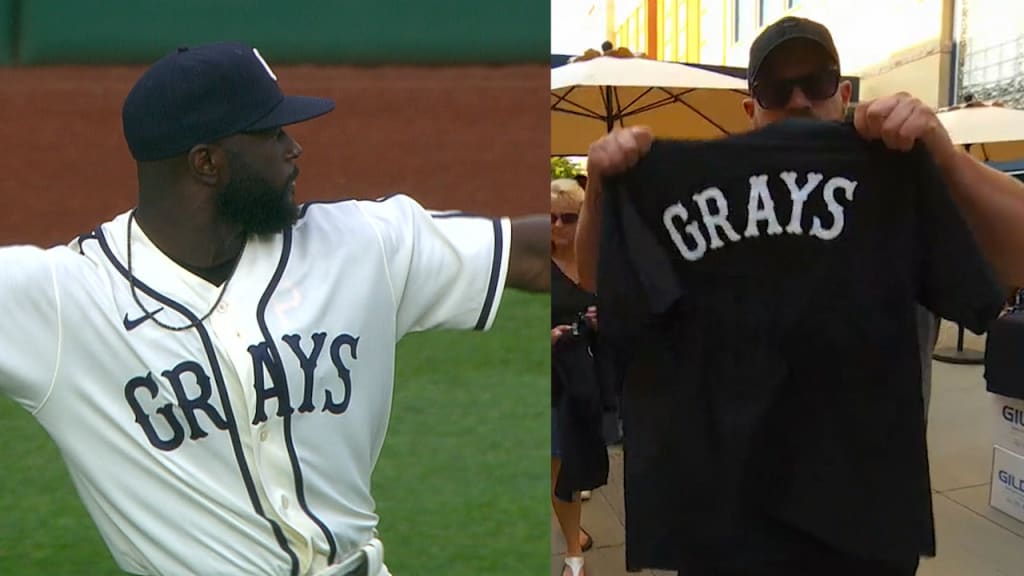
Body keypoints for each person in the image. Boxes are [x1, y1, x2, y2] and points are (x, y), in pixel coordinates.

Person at [0, 42, 548, 576]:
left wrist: (611, 192)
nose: (294, 149)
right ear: (207, 163)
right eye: (271, 133)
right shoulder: (64, 300)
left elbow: (533, 254)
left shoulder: (359, 244)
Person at [576, 15, 1014, 576]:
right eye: (777, 89)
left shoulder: (897, 171)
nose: (800, 100)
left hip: (859, 516)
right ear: (750, 105)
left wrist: (944, 159)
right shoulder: (684, 183)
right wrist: (605, 191)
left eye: (818, 81)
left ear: (845, 90)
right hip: (724, 514)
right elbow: (597, 279)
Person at [550, 178, 600, 576]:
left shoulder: (595, 262)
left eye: (568, 218)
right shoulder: (535, 265)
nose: (558, 226)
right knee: (559, 467)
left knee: (577, 462)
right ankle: (573, 555)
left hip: (589, 380)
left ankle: (575, 535)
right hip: (550, 381)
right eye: (551, 217)